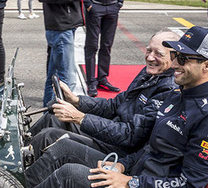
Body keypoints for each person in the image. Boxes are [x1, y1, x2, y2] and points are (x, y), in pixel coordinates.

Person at [26, 27, 208, 188]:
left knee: (70, 174)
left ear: (207, 66)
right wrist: (123, 165)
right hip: (136, 176)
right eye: (175, 56)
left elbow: (188, 187)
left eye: (184, 58)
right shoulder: (177, 97)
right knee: (63, 146)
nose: (176, 63)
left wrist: (131, 182)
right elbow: (148, 148)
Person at [28, 30, 178, 160]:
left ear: (175, 57)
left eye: (158, 54)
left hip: (121, 151)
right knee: (53, 116)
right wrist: (76, 101)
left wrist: (80, 118)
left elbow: (130, 135)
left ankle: (11, 187)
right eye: (149, 50)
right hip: (111, 135)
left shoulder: (168, 89)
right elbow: (114, 105)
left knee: (48, 137)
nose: (150, 57)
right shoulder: (149, 74)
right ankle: (14, 158)